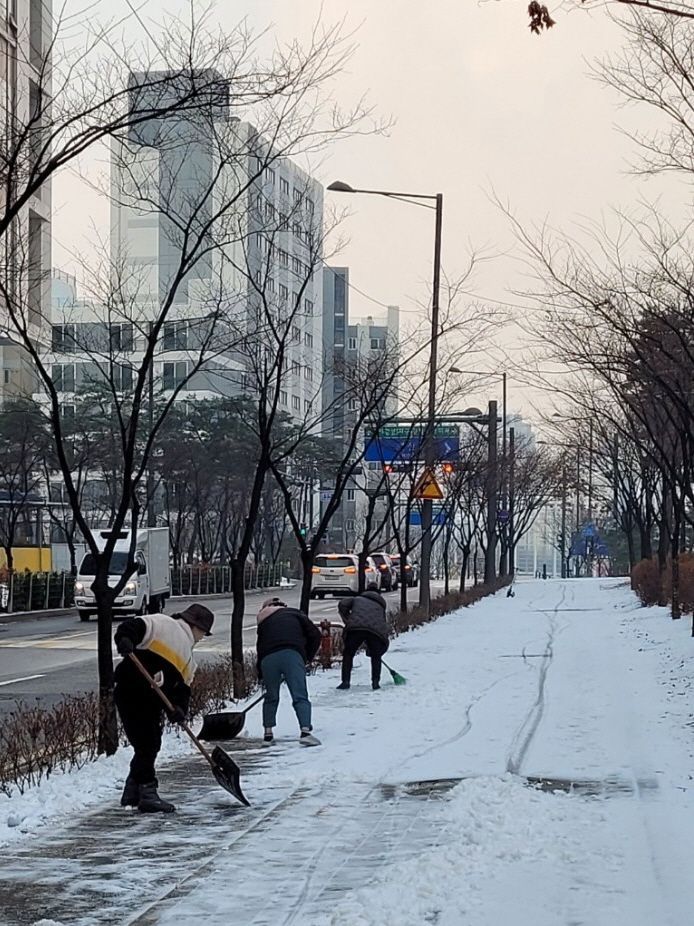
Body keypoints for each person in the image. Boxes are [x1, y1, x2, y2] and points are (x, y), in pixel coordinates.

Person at [114, 603, 214, 813]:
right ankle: (147, 793)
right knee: (147, 745)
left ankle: (133, 791)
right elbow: (131, 628)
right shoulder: (164, 624)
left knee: (148, 744)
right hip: (134, 691)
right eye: (203, 632)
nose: (201, 637)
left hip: (137, 695)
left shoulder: (187, 656)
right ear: (195, 626)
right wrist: (125, 641)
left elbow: (182, 691)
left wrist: (178, 709)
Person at [256, 597, 322, 746]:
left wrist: (261, 672)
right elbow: (315, 635)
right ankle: (305, 732)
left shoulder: (263, 622)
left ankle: (268, 734)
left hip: (268, 658)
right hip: (292, 654)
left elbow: (260, 647)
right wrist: (306, 657)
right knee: (299, 694)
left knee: (271, 696)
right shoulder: (295, 614)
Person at [337, 585, 390, 690]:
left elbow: (342, 604)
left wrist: (347, 618)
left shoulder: (357, 599)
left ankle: (345, 681)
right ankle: (375, 682)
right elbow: (383, 625)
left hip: (356, 628)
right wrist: (379, 648)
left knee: (348, 653)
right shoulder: (381, 606)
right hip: (375, 632)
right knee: (376, 657)